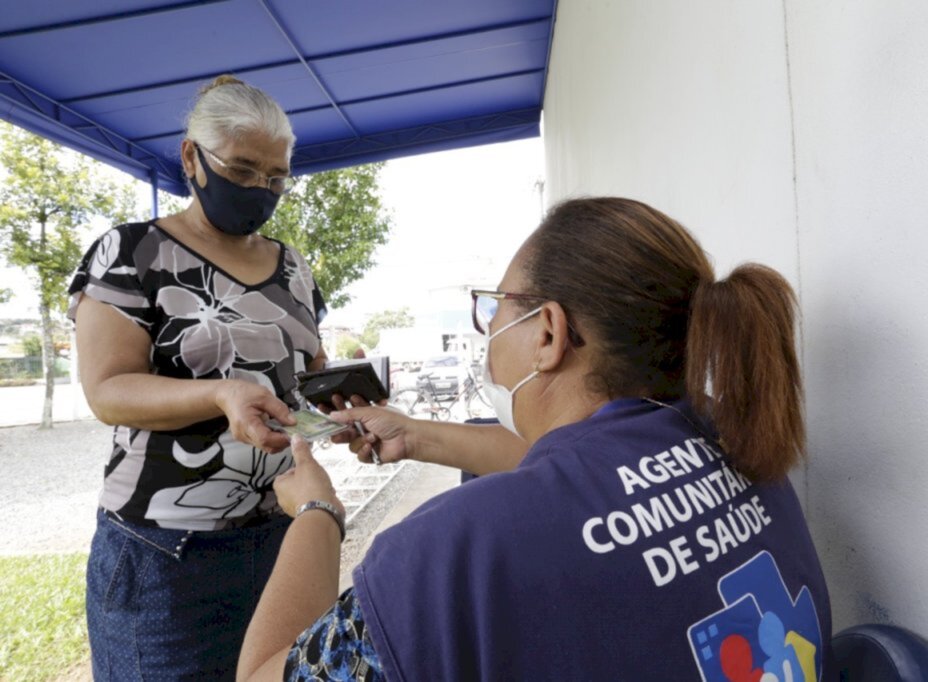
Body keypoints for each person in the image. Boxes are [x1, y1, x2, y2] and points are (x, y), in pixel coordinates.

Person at [238, 197, 836, 681]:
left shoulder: (448, 555)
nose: (488, 333)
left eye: (494, 310)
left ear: (547, 333)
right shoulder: (745, 443)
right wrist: (416, 436)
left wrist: (316, 512)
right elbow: (588, 480)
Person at [70, 75, 328, 680]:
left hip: (278, 532)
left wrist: (337, 395)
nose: (261, 190)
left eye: (276, 177)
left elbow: (305, 371)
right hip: (164, 549)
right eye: (242, 170)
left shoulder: (293, 267)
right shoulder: (131, 252)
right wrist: (220, 392)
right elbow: (108, 390)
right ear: (192, 158)